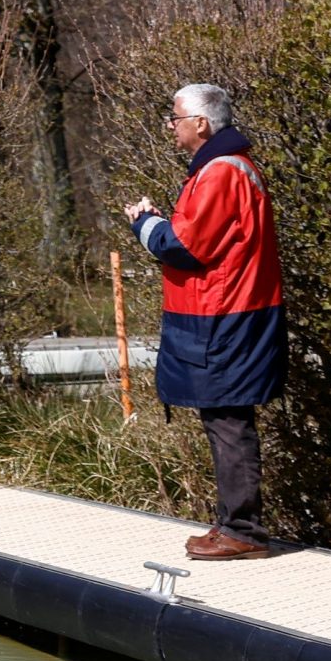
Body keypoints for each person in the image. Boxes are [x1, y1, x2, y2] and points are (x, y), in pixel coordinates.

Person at [123, 83, 287, 562]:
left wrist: (144, 223)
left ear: (201, 123)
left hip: (225, 316)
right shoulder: (225, 168)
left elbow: (184, 246)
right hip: (229, 311)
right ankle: (234, 526)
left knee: (228, 420)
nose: (169, 125)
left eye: (174, 117)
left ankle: (243, 531)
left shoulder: (220, 173)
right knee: (226, 419)